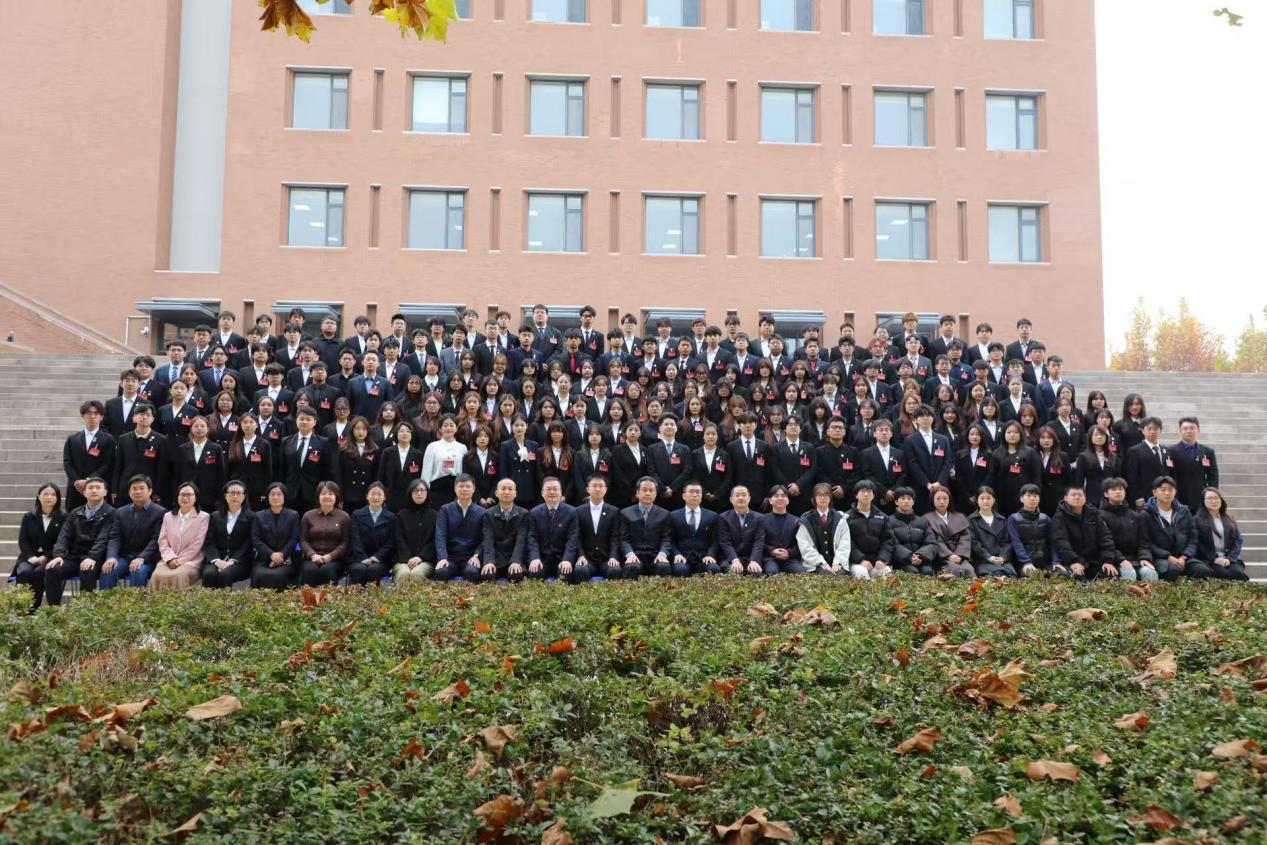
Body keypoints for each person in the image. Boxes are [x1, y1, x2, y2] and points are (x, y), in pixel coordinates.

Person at [1141, 475, 1211, 582]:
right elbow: (1146, 542)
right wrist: (1168, 557)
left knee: (1202, 570)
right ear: (1154, 492)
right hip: (1161, 558)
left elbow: (1193, 537)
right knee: (1173, 570)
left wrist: (1184, 556)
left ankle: (1194, 593)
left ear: (1175, 492)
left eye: (1170, 490)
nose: (1167, 493)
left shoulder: (1184, 511)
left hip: (1183, 557)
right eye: (1163, 490)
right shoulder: (1146, 514)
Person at [101, 474, 165, 590]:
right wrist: (111, 557)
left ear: (150, 491)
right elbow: (115, 537)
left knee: (137, 571)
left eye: (141, 488)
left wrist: (142, 558)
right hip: (125, 557)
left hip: (148, 559)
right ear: (129, 492)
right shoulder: (121, 512)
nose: (138, 492)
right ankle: (105, 601)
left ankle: (136, 602)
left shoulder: (160, 512)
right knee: (108, 570)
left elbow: (156, 540)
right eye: (134, 489)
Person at [14, 483, 67, 611]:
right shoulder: (29, 517)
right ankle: (20, 608)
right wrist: (32, 558)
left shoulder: (63, 517)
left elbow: (62, 541)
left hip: (51, 557)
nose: (49, 497)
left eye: (53, 495)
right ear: (39, 496)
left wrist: (46, 557)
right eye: (45, 494)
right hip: (29, 556)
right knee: (25, 572)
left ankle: (34, 607)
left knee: (39, 572)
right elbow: (23, 541)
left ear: (58, 498)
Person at [151, 481, 209, 590]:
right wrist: (170, 558)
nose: (185, 498)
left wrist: (179, 561)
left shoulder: (203, 517)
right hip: (168, 560)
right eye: (182, 495)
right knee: (157, 575)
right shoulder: (168, 516)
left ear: (196, 498)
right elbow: (162, 540)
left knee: (178, 575)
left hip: (191, 561)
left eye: (189, 495)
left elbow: (198, 543)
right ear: (177, 497)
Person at [112, 402, 170, 507]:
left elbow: (161, 469)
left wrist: (156, 492)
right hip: (125, 489)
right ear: (134, 417)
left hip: (148, 490)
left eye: (148, 415)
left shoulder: (161, 440)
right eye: (141, 414)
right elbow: (117, 466)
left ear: (153, 419)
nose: (144, 417)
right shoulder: (123, 438)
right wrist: (115, 489)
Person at [1097, 477, 1156, 582]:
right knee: (1129, 573)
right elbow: (1105, 543)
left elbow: (1143, 541)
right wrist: (1121, 559)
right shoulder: (1099, 516)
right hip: (1113, 560)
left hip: (1135, 559)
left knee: (1149, 572)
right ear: (1106, 494)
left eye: (1121, 489)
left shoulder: (1135, 515)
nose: (1118, 492)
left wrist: (1144, 557)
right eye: (1113, 489)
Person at [526, 477, 585, 582]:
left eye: (555, 489)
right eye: (548, 489)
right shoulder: (534, 512)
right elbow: (532, 538)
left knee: (565, 572)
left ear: (561, 492)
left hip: (562, 558)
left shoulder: (571, 512)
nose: (552, 492)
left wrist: (567, 559)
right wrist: (535, 558)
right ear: (542, 493)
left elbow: (572, 538)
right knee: (535, 571)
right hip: (542, 559)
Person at [1049, 485, 1114, 580]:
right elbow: (1061, 542)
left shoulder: (1093, 514)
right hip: (1070, 560)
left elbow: (1105, 538)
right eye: (1073, 495)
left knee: (1110, 573)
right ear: (1066, 498)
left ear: (1085, 498)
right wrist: (1073, 561)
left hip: (1093, 560)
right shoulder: (1059, 517)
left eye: (1080, 495)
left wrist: (1108, 560)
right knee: (1077, 577)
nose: (1077, 497)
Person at [282, 408, 338, 513]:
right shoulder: (286, 441)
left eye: (308, 419)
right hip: (290, 491)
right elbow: (281, 468)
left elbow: (327, 470)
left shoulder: (323, 443)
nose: (304, 422)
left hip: (313, 492)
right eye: (301, 419)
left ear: (314, 422)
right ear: (296, 420)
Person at [64, 400, 116, 511]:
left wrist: (88, 481)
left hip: (97, 488)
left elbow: (108, 464)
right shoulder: (72, 439)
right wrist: (77, 482)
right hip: (76, 488)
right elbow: (67, 462)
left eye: (96, 413)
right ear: (83, 416)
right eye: (88, 413)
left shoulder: (108, 439)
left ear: (101, 417)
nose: (92, 416)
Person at [201, 480, 255, 588]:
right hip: (217, 558)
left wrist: (232, 561)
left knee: (224, 574)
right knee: (208, 574)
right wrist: (216, 560)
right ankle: (207, 599)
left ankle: (225, 600)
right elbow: (209, 541)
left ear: (244, 496)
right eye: (232, 493)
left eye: (238, 493)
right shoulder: (215, 516)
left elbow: (249, 543)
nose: (235, 496)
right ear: (225, 495)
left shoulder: (251, 517)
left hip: (240, 561)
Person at [434, 474, 486, 581]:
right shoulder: (445, 510)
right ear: (455, 489)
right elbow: (440, 535)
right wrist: (442, 557)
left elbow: (485, 538)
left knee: (472, 573)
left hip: (471, 557)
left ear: (474, 489)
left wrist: (477, 555)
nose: (464, 489)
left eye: (468, 486)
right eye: (461, 486)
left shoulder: (482, 512)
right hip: (450, 557)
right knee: (441, 572)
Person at [299, 480, 351, 586]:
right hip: (312, 558)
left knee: (326, 571)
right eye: (323, 493)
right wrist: (312, 555)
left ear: (336, 497)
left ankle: (329, 596)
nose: (327, 496)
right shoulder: (308, 515)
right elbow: (303, 540)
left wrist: (331, 556)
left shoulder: (344, 517)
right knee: (309, 570)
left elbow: (346, 542)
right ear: (318, 496)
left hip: (335, 560)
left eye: (331, 494)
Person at [618, 476, 673, 577]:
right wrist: (630, 554)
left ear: (656, 493)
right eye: (644, 490)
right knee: (632, 567)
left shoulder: (664, 514)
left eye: (651, 490)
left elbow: (666, 539)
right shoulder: (625, 513)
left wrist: (662, 554)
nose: (648, 493)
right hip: (635, 554)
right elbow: (623, 539)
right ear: (637, 492)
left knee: (663, 567)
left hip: (655, 554)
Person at [251, 482, 300, 589]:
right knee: (259, 573)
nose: (275, 497)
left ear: (284, 496)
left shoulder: (293, 515)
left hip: (286, 558)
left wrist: (281, 555)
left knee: (278, 575)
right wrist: (271, 554)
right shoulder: (259, 516)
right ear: (268, 497)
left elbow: (293, 539)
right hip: (264, 558)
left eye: (279, 494)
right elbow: (256, 539)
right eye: (272, 494)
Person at [1194, 487, 1249, 581]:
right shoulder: (1197, 520)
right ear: (1203, 501)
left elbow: (1238, 540)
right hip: (1209, 559)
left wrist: (1229, 559)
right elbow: (1198, 544)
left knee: (1238, 574)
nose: (1214, 501)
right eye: (1210, 498)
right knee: (1222, 574)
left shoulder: (1229, 519)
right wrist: (1214, 559)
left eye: (1216, 498)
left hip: (1228, 559)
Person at [346, 482, 397, 586]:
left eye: (379, 494)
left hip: (381, 559)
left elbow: (391, 541)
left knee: (373, 570)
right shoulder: (357, 514)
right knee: (359, 569)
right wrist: (363, 557)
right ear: (367, 496)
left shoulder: (391, 517)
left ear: (385, 497)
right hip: (358, 558)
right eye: (372, 494)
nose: (375, 497)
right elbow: (355, 538)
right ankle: (354, 595)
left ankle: (373, 596)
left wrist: (377, 556)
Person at [666, 481, 720, 576]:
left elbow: (715, 540)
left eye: (698, 492)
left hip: (704, 558)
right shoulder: (673, 515)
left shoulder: (712, 515)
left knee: (713, 569)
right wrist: (676, 554)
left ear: (702, 496)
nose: (695, 495)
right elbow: (670, 539)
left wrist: (710, 555)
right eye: (691, 492)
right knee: (680, 570)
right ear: (683, 496)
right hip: (682, 558)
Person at [480, 478, 529, 583]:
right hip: (496, 558)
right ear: (496, 493)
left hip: (514, 557)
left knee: (516, 574)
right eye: (503, 489)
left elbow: (521, 540)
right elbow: (487, 540)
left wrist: (516, 561)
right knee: (487, 574)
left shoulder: (524, 514)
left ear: (515, 493)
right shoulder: (488, 514)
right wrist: (489, 561)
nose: (506, 492)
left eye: (510, 489)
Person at [844, 481, 894, 580]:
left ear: (874, 495)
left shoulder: (883, 517)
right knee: (862, 573)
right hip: (856, 563)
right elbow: (846, 542)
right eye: (862, 491)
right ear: (856, 495)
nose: (866, 494)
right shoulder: (847, 517)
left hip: (877, 562)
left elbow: (888, 541)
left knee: (886, 573)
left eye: (869, 491)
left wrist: (882, 559)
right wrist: (860, 560)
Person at [576, 474, 622, 579]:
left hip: (606, 558)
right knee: (580, 570)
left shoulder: (614, 511)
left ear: (606, 489)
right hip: (587, 558)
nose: (598, 489)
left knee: (615, 570)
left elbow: (615, 537)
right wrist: (580, 555)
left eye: (601, 486)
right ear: (587, 489)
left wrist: (613, 557)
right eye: (594, 486)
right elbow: (577, 537)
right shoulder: (578, 511)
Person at [393, 479, 437, 585]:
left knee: (417, 573)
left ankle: (419, 597)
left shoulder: (435, 515)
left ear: (427, 493)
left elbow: (434, 540)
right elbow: (398, 539)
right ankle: (400, 597)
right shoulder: (401, 515)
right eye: (415, 490)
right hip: (404, 560)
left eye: (422, 490)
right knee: (403, 573)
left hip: (426, 560)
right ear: (410, 493)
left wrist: (421, 557)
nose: (419, 493)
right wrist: (408, 559)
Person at [991, 421, 1040, 516]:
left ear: (1021, 434)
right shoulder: (997, 453)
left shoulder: (1030, 452)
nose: (1012, 435)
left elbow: (1036, 476)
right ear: (1004, 434)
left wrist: (1034, 495)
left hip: (1024, 497)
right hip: (1002, 498)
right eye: (1009, 432)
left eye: (1016, 432)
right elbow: (992, 476)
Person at [1171, 417, 1219, 513]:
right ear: (1180, 431)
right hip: (1178, 496)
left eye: (1192, 428)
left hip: (1200, 496)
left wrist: (1211, 493)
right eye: (1185, 428)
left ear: (1198, 430)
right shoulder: (1171, 451)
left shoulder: (1207, 452)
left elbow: (1213, 475)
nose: (1189, 431)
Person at [925, 485, 974, 577]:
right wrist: (949, 555)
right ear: (932, 500)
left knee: (969, 570)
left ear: (949, 500)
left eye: (945, 498)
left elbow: (965, 538)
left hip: (960, 556)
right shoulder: (927, 519)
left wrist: (960, 555)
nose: (942, 501)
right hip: (941, 557)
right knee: (954, 571)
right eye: (938, 499)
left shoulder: (959, 517)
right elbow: (934, 540)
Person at [1125, 417, 1174, 510]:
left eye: (1155, 429)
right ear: (1143, 431)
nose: (1152, 432)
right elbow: (1132, 477)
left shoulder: (1167, 450)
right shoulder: (1134, 451)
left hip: (1165, 495)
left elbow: (1171, 473)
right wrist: (1138, 496)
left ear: (1160, 431)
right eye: (1149, 429)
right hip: (1145, 497)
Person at [226, 412, 272, 511]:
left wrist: (265, 492)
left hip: (257, 489)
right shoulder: (234, 444)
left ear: (257, 425)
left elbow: (268, 471)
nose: (248, 425)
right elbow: (229, 469)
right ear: (240, 425)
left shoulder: (264, 444)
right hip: (237, 488)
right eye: (245, 422)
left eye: (251, 422)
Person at [858, 418, 906, 513]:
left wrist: (893, 491)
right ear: (874, 434)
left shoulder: (899, 453)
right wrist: (884, 491)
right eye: (880, 430)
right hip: (875, 496)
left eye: (887, 430)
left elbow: (903, 474)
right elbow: (867, 474)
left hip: (895, 497)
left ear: (891, 434)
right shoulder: (866, 453)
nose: (884, 433)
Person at [888, 487, 938, 575]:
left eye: (909, 498)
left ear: (913, 502)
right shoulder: (889, 521)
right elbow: (892, 544)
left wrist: (920, 556)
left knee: (927, 572)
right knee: (912, 572)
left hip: (922, 559)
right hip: (901, 561)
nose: (906, 501)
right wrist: (909, 557)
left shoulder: (922, 521)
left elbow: (931, 543)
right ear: (896, 502)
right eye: (902, 498)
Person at [968, 487, 1016, 577]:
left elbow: (1007, 542)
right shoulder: (971, 520)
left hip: (1001, 560)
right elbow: (974, 543)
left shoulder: (1001, 519)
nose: (985, 501)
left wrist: (1003, 557)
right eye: (982, 498)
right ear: (977, 500)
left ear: (994, 500)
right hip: (982, 561)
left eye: (989, 498)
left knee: (1011, 575)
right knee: (997, 574)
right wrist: (989, 557)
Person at [717, 485, 765, 575]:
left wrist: (754, 560)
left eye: (744, 495)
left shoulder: (759, 518)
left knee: (756, 573)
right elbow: (725, 541)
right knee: (733, 573)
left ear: (749, 498)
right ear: (731, 499)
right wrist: (735, 560)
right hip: (730, 558)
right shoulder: (723, 518)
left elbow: (759, 541)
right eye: (737, 495)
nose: (741, 498)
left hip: (751, 558)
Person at [647, 414, 692, 510]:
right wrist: (662, 488)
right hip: (659, 495)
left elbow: (687, 471)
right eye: (666, 424)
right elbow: (651, 471)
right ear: (660, 428)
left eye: (672, 424)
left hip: (678, 495)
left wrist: (672, 488)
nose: (669, 426)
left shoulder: (685, 449)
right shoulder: (652, 449)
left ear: (676, 428)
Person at [380, 421, 426, 513]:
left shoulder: (418, 454)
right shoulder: (387, 452)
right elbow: (381, 475)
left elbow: (420, 477)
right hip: (391, 496)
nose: (405, 433)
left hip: (410, 496)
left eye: (408, 431)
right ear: (396, 434)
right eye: (401, 431)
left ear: (412, 435)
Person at [1006, 484, 1051, 577]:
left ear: (1039, 499)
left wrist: (1056, 561)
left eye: (1035, 496)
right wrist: (1026, 562)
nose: (1032, 498)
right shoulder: (1013, 518)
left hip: (1045, 562)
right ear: (1021, 499)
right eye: (1028, 496)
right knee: (1034, 577)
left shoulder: (1045, 518)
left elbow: (1052, 542)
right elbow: (1016, 542)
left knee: (1063, 575)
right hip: (1023, 563)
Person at [498, 415, 540, 510]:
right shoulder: (505, 445)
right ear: (512, 426)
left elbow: (536, 469)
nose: (519, 428)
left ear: (527, 426)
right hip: (514, 486)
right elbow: (504, 470)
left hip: (530, 486)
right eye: (516, 425)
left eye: (522, 425)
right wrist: (506, 488)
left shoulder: (534, 445)